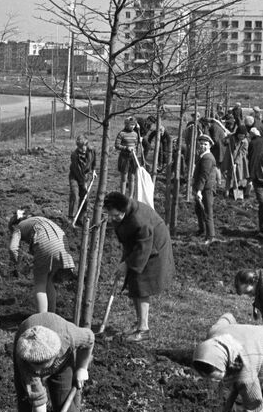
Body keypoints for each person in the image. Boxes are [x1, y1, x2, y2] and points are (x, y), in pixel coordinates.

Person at [102, 191, 175, 342]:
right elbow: (130, 240)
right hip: (141, 247)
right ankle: (140, 322)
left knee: (141, 284)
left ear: (124, 209)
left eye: (116, 216)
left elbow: (143, 247)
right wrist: (125, 260)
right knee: (134, 283)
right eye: (111, 215)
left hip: (154, 249)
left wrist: (128, 263)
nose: (113, 219)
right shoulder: (125, 213)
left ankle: (143, 329)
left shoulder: (138, 220)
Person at [8, 208, 75, 313]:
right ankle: (52, 315)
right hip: (62, 247)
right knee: (48, 281)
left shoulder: (19, 227)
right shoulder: (41, 220)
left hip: (46, 247)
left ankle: (42, 318)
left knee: (40, 284)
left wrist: (17, 262)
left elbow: (12, 248)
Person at [192, 134, 218, 244]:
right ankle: (202, 230)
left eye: (205, 144)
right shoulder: (201, 155)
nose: (203, 146)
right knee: (199, 210)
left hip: (206, 189)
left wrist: (199, 191)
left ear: (210, 146)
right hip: (201, 187)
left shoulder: (207, 158)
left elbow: (204, 176)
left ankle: (210, 236)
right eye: (201, 143)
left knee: (207, 212)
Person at [68, 135, 96, 224]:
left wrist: (94, 171)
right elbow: (78, 171)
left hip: (85, 176)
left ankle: (80, 218)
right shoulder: (74, 155)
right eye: (81, 147)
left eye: (84, 146)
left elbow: (94, 161)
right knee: (75, 195)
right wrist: (83, 183)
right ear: (78, 146)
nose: (83, 149)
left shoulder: (91, 150)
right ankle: (71, 218)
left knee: (85, 198)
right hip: (75, 176)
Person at [114, 116, 142, 197]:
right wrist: (126, 148)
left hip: (133, 158)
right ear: (126, 124)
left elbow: (136, 145)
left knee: (132, 178)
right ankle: (122, 196)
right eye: (131, 125)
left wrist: (139, 142)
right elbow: (117, 145)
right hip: (124, 158)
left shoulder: (135, 134)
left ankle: (130, 196)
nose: (132, 126)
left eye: (134, 125)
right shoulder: (121, 133)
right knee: (124, 178)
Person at [223, 127, 250, 201]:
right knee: (229, 176)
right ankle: (227, 192)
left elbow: (242, 153)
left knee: (237, 176)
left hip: (240, 160)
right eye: (240, 135)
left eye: (243, 136)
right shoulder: (232, 137)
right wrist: (226, 140)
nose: (241, 137)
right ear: (237, 134)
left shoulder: (245, 142)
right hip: (229, 158)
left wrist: (236, 163)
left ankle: (235, 191)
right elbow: (224, 142)